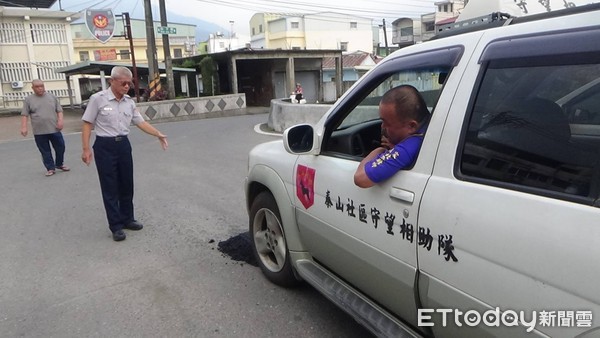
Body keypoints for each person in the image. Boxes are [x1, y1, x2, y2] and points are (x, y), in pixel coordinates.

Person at [82, 66, 168, 242]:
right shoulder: (98, 99)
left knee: (127, 184)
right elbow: (87, 124)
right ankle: (116, 226)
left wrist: (158, 133)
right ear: (112, 81)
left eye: (129, 83)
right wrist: (86, 149)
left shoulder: (129, 102)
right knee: (110, 187)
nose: (127, 86)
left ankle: (128, 218)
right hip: (104, 146)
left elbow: (140, 122)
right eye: (123, 83)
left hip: (124, 146)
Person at [354, 85, 430, 188]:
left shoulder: (408, 147)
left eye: (386, 123)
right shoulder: (429, 127)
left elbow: (361, 179)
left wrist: (381, 151)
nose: (382, 127)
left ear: (411, 126)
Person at [20, 79, 70, 177]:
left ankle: (59, 164)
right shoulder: (29, 100)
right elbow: (24, 114)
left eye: (42, 86)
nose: (40, 88)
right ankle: (50, 168)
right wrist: (24, 127)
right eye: (37, 87)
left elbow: (59, 110)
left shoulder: (52, 97)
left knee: (61, 147)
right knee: (45, 151)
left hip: (54, 128)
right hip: (39, 131)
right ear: (33, 88)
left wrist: (60, 121)